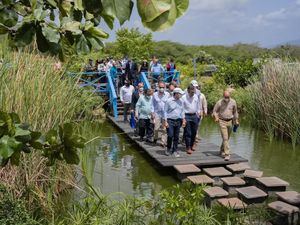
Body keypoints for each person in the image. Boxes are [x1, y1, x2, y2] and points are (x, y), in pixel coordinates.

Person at [213, 90, 239, 161]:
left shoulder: (233, 102)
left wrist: (236, 120)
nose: (226, 98)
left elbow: (235, 112)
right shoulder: (219, 102)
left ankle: (221, 150)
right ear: (223, 96)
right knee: (225, 138)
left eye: (228, 97)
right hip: (222, 121)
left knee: (227, 138)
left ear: (230, 96)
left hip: (230, 121)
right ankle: (227, 154)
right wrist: (216, 117)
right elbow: (214, 111)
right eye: (225, 97)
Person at [164, 88, 186, 157]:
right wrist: (165, 121)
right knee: (170, 135)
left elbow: (182, 111)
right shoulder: (168, 101)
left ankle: (175, 150)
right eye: (180, 94)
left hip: (178, 120)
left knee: (176, 136)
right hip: (170, 120)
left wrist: (183, 120)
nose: (181, 95)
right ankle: (168, 148)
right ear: (176, 93)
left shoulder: (181, 101)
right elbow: (165, 111)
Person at [182, 85, 202, 154]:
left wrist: (199, 112)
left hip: (194, 116)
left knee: (194, 132)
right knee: (188, 133)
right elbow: (182, 109)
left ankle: (192, 144)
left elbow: (198, 106)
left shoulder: (196, 96)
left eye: (193, 92)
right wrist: (183, 118)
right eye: (191, 92)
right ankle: (188, 147)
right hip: (186, 116)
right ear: (188, 91)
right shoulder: (183, 98)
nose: (192, 93)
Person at [151, 81, 170, 147]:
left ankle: (163, 142)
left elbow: (169, 104)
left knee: (164, 128)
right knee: (156, 128)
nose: (161, 88)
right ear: (158, 87)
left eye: (163, 87)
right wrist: (152, 112)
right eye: (160, 87)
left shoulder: (167, 94)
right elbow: (152, 104)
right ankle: (155, 138)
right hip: (157, 113)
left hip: (165, 114)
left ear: (165, 87)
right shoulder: (154, 94)